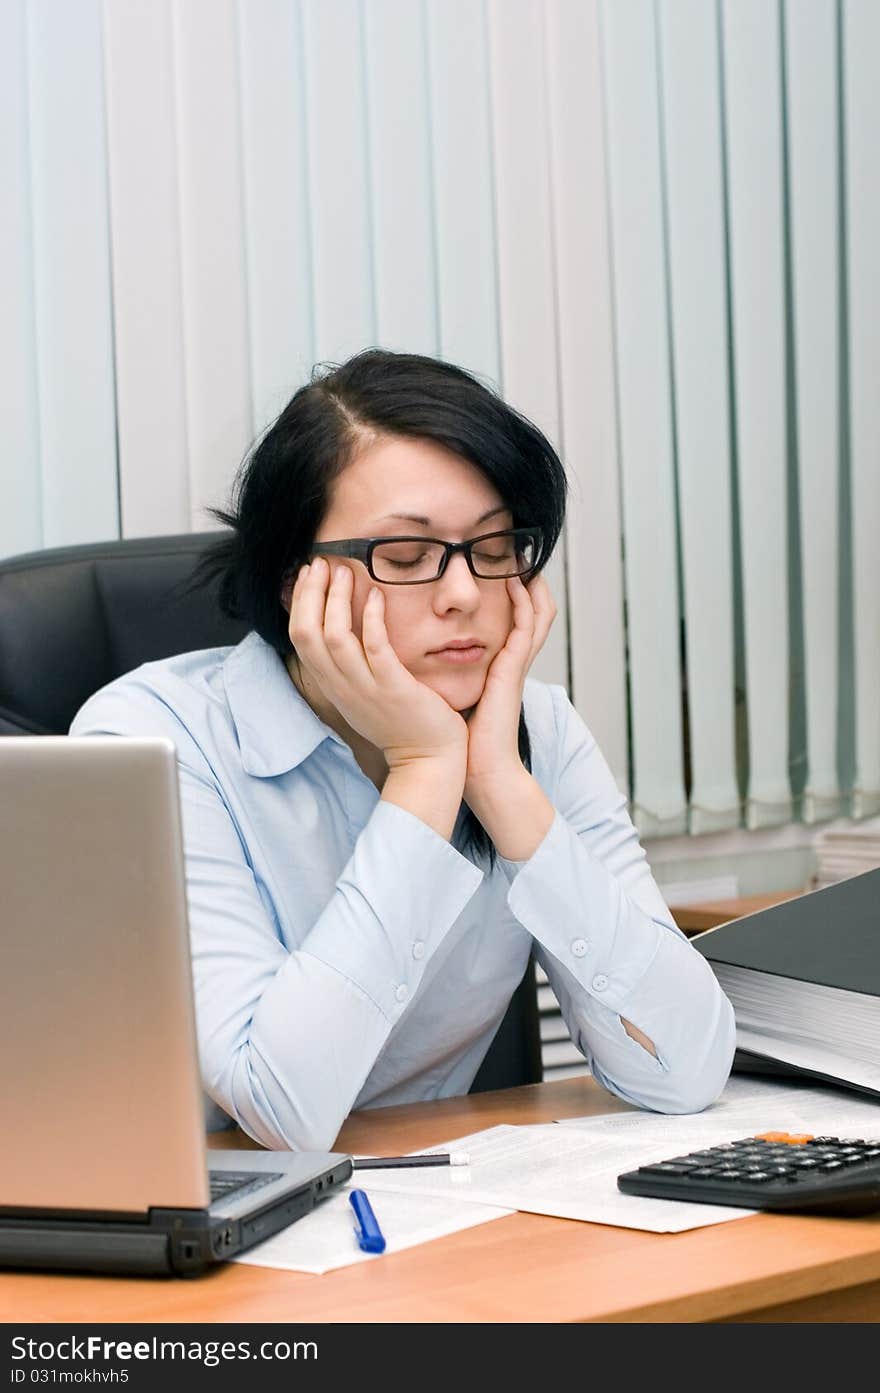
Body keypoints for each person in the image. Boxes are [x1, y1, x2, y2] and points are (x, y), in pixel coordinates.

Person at [70, 348, 735, 1151]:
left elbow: (688, 1070)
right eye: (407, 557)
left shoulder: (538, 735)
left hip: (428, 1226)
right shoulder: (157, 740)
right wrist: (424, 774)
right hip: (196, 1245)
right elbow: (280, 1112)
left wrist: (495, 778)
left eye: (493, 550)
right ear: (296, 582)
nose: (464, 593)